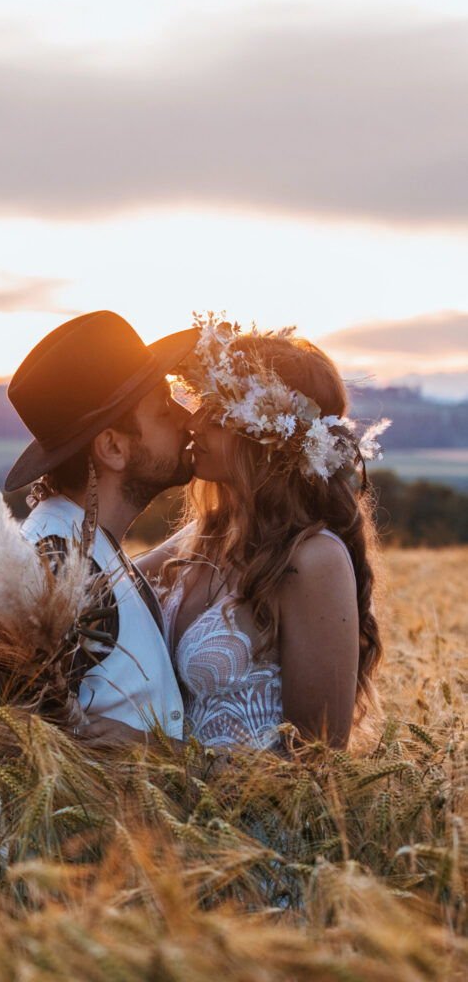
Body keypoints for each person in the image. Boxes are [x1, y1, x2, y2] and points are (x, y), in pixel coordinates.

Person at [134, 314, 388, 751]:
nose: (194, 424)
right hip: (164, 795)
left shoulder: (313, 559)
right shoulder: (206, 535)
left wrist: (146, 748)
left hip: (251, 800)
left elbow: (316, 761)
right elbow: (106, 585)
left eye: (218, 414)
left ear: (269, 435)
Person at [4, 309, 198, 739]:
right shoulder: (61, 567)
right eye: (163, 410)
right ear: (112, 448)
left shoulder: (85, 547)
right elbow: (23, 738)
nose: (187, 420)